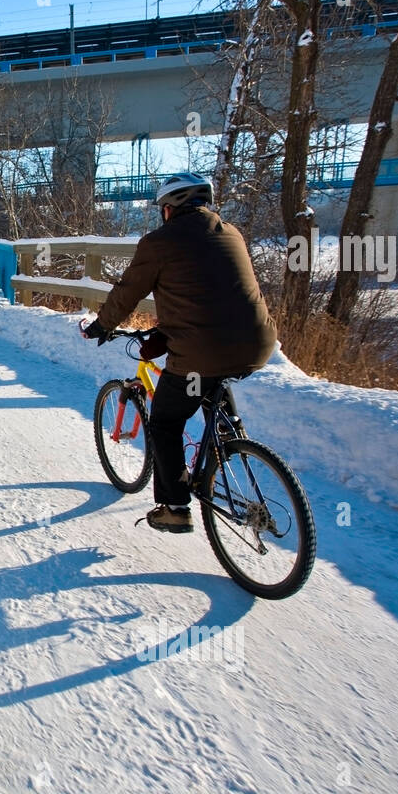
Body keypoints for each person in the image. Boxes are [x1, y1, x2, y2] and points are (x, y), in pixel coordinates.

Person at [81, 172, 277, 534]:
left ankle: (174, 507)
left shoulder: (159, 242)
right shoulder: (232, 233)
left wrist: (102, 325)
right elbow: (211, 291)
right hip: (256, 342)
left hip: (204, 349)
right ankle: (229, 441)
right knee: (210, 379)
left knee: (166, 421)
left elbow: (128, 292)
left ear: (170, 210)